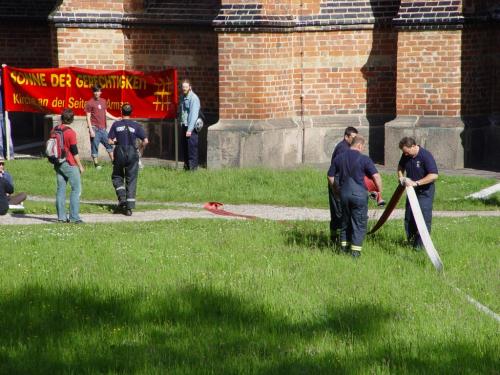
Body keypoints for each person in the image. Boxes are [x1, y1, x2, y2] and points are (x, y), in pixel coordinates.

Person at [328, 135, 383, 257]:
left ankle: (343, 250)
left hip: (344, 194)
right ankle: (355, 253)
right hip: (359, 195)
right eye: (363, 147)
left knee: (345, 221)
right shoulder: (365, 159)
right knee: (359, 223)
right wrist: (379, 192)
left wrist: (336, 190)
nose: (363, 149)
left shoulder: (339, 158)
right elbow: (376, 177)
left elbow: (330, 176)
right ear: (359, 145)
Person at [397, 136, 438, 248]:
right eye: (404, 153)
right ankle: (411, 242)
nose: (405, 155)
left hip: (424, 192)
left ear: (414, 146)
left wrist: (417, 183)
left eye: (407, 152)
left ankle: (420, 246)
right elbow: (400, 166)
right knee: (409, 217)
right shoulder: (405, 155)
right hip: (411, 191)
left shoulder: (426, 156)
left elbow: (434, 175)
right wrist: (401, 177)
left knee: (423, 218)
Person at [108, 103, 149, 216]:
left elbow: (109, 141)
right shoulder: (136, 125)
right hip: (132, 152)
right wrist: (140, 150)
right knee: (131, 179)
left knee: (117, 176)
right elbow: (145, 141)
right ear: (131, 113)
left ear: (121, 112)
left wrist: (116, 142)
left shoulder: (116, 124)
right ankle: (129, 208)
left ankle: (122, 199)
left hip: (120, 151)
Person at [53, 108, 85, 223]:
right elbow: (74, 152)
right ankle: (74, 217)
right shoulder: (70, 133)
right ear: (72, 119)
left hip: (57, 163)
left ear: (62, 118)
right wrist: (80, 166)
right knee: (76, 189)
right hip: (69, 163)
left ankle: (61, 217)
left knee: (61, 189)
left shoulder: (54, 130)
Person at [328, 126, 358, 244]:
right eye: (353, 138)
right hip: (337, 183)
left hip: (339, 181)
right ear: (346, 137)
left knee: (338, 212)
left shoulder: (345, 147)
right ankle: (340, 241)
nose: (355, 141)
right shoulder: (343, 149)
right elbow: (341, 169)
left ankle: (335, 238)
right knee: (339, 212)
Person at [85, 84, 120, 169]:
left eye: (98, 91)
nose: (97, 93)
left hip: (103, 129)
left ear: (101, 92)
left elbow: (105, 113)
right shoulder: (89, 103)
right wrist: (91, 130)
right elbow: (88, 117)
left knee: (109, 144)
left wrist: (115, 118)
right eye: (95, 91)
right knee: (94, 146)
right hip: (95, 128)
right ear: (93, 92)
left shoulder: (103, 101)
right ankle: (96, 164)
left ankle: (114, 162)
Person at [179, 79, 201, 171]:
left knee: (192, 149)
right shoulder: (183, 97)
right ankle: (187, 167)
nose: (184, 89)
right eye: (183, 87)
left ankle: (193, 169)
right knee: (185, 148)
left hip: (190, 127)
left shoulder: (193, 98)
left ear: (190, 87)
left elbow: (193, 115)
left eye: (186, 87)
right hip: (184, 125)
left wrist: (190, 129)